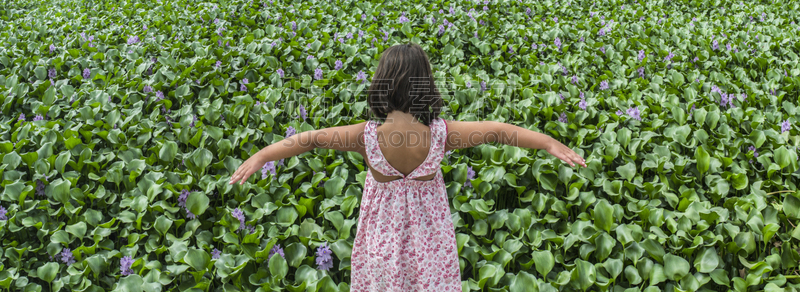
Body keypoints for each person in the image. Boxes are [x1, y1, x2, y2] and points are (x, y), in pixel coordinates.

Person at [229, 42, 587, 291]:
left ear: (382, 84)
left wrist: (261, 156)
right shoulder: (442, 134)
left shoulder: (364, 136)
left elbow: (309, 139)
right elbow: (499, 132)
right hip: (431, 246)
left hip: (381, 246)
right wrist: (550, 143)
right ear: (424, 84)